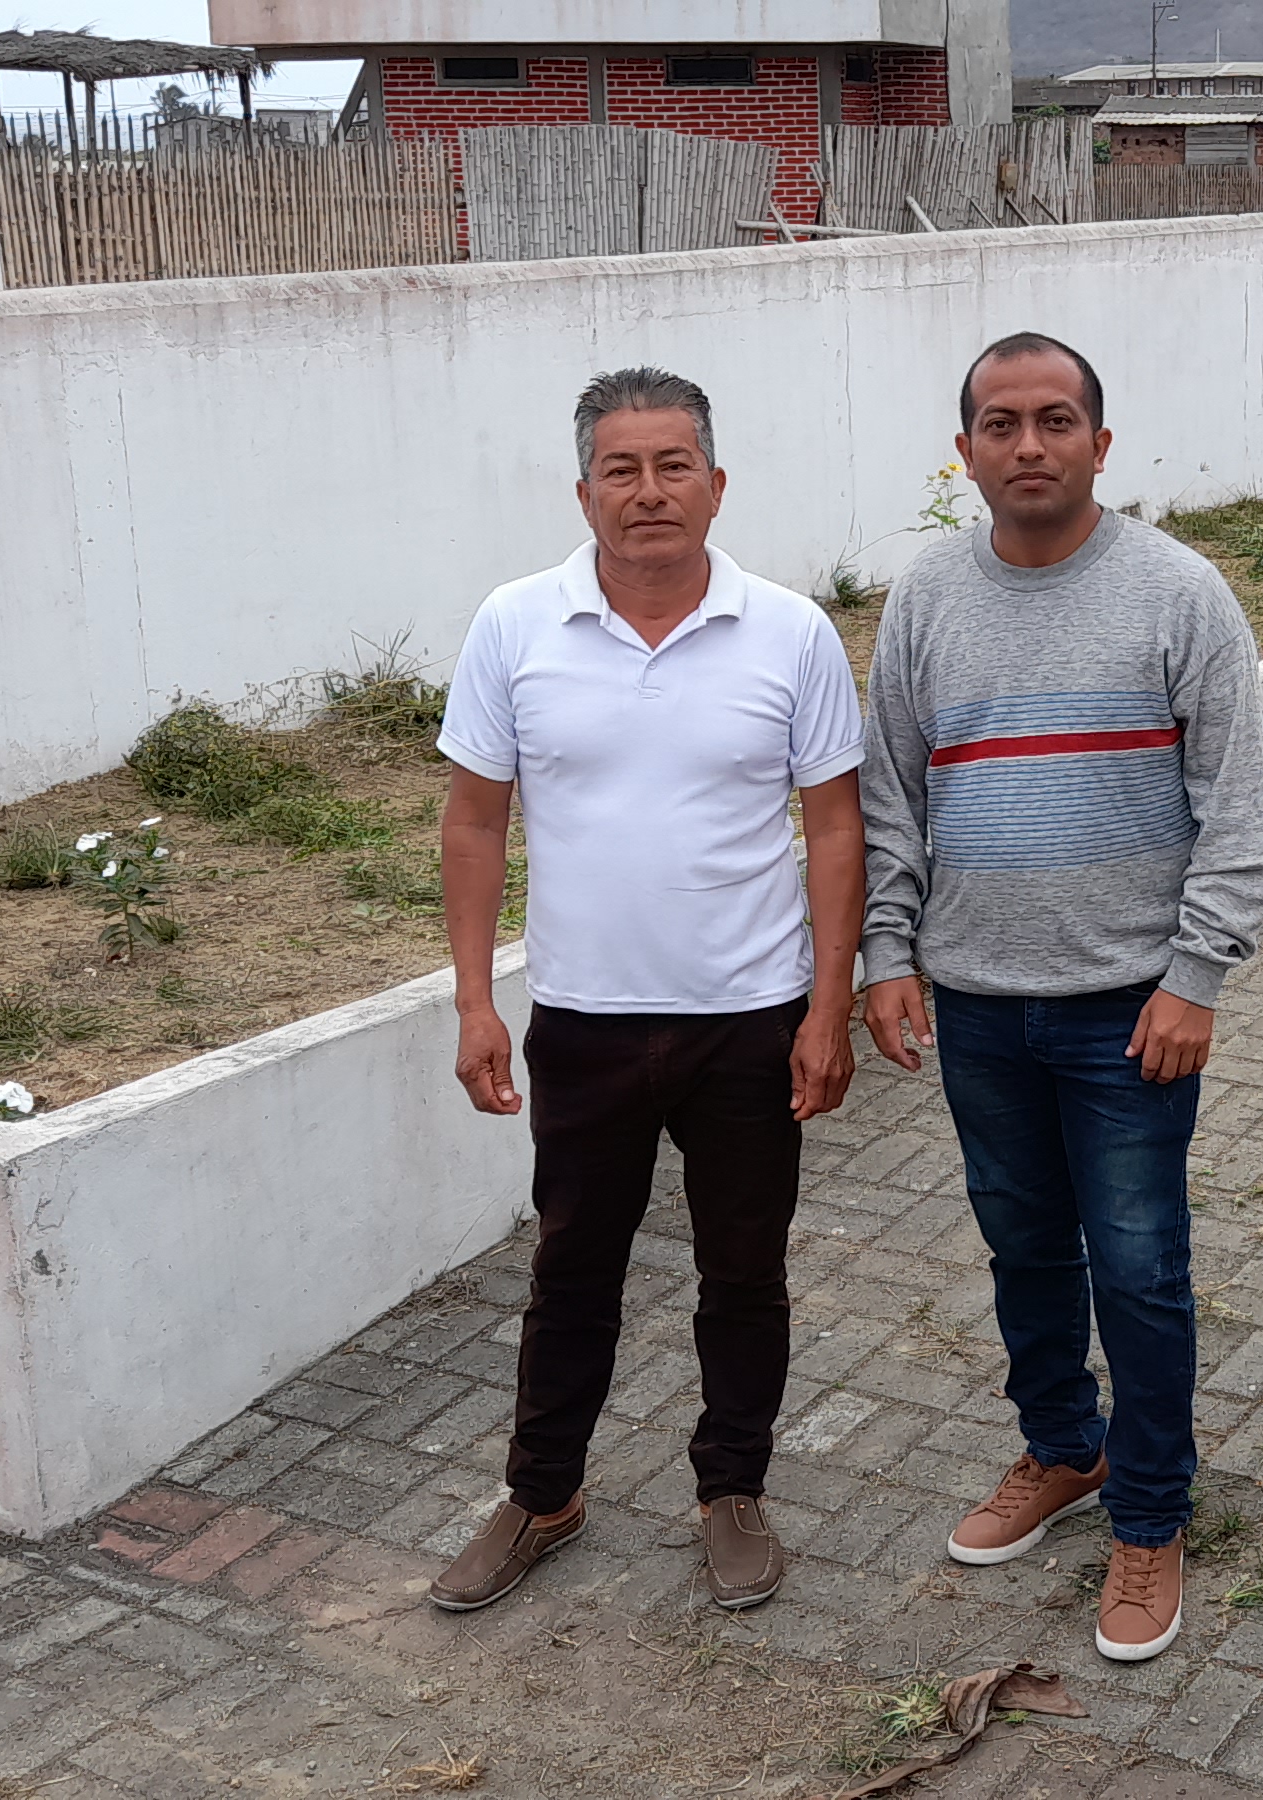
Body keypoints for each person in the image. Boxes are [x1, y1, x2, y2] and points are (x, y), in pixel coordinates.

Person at [858, 332, 1263, 1663]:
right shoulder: (926, 597)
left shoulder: (1178, 592)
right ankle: (1063, 1449)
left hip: (1129, 1012)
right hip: (978, 1006)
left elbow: (1236, 811)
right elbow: (890, 797)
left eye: (1053, 420)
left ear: (1100, 442)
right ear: (965, 451)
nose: (1027, 444)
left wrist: (1195, 978)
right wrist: (885, 953)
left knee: (1142, 1273)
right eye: (1000, 423)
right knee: (1024, 1248)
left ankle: (1149, 1515)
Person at [426, 367, 865, 1617]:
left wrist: (826, 1007)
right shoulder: (516, 623)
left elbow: (835, 827)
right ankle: (542, 1494)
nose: (649, 491)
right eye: (620, 469)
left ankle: (732, 1490)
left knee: (744, 1271)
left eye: (674, 466)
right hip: (585, 1020)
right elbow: (473, 821)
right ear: (584, 493)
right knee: (572, 1269)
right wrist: (474, 1001)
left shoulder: (790, 631)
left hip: (750, 1019)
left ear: (716, 485)